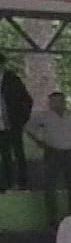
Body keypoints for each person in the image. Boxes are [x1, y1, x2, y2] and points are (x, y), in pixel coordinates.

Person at [25, 90, 71, 219]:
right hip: (53, 152)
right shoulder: (43, 116)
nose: (55, 104)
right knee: (50, 187)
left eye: (58, 101)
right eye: (53, 102)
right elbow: (28, 128)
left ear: (64, 102)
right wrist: (38, 141)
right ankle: (53, 219)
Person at [0, 58, 28, 193]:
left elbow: (26, 100)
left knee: (18, 153)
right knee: (5, 154)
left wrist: (21, 119)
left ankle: (22, 183)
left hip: (13, 122)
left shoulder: (12, 80)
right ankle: (6, 184)